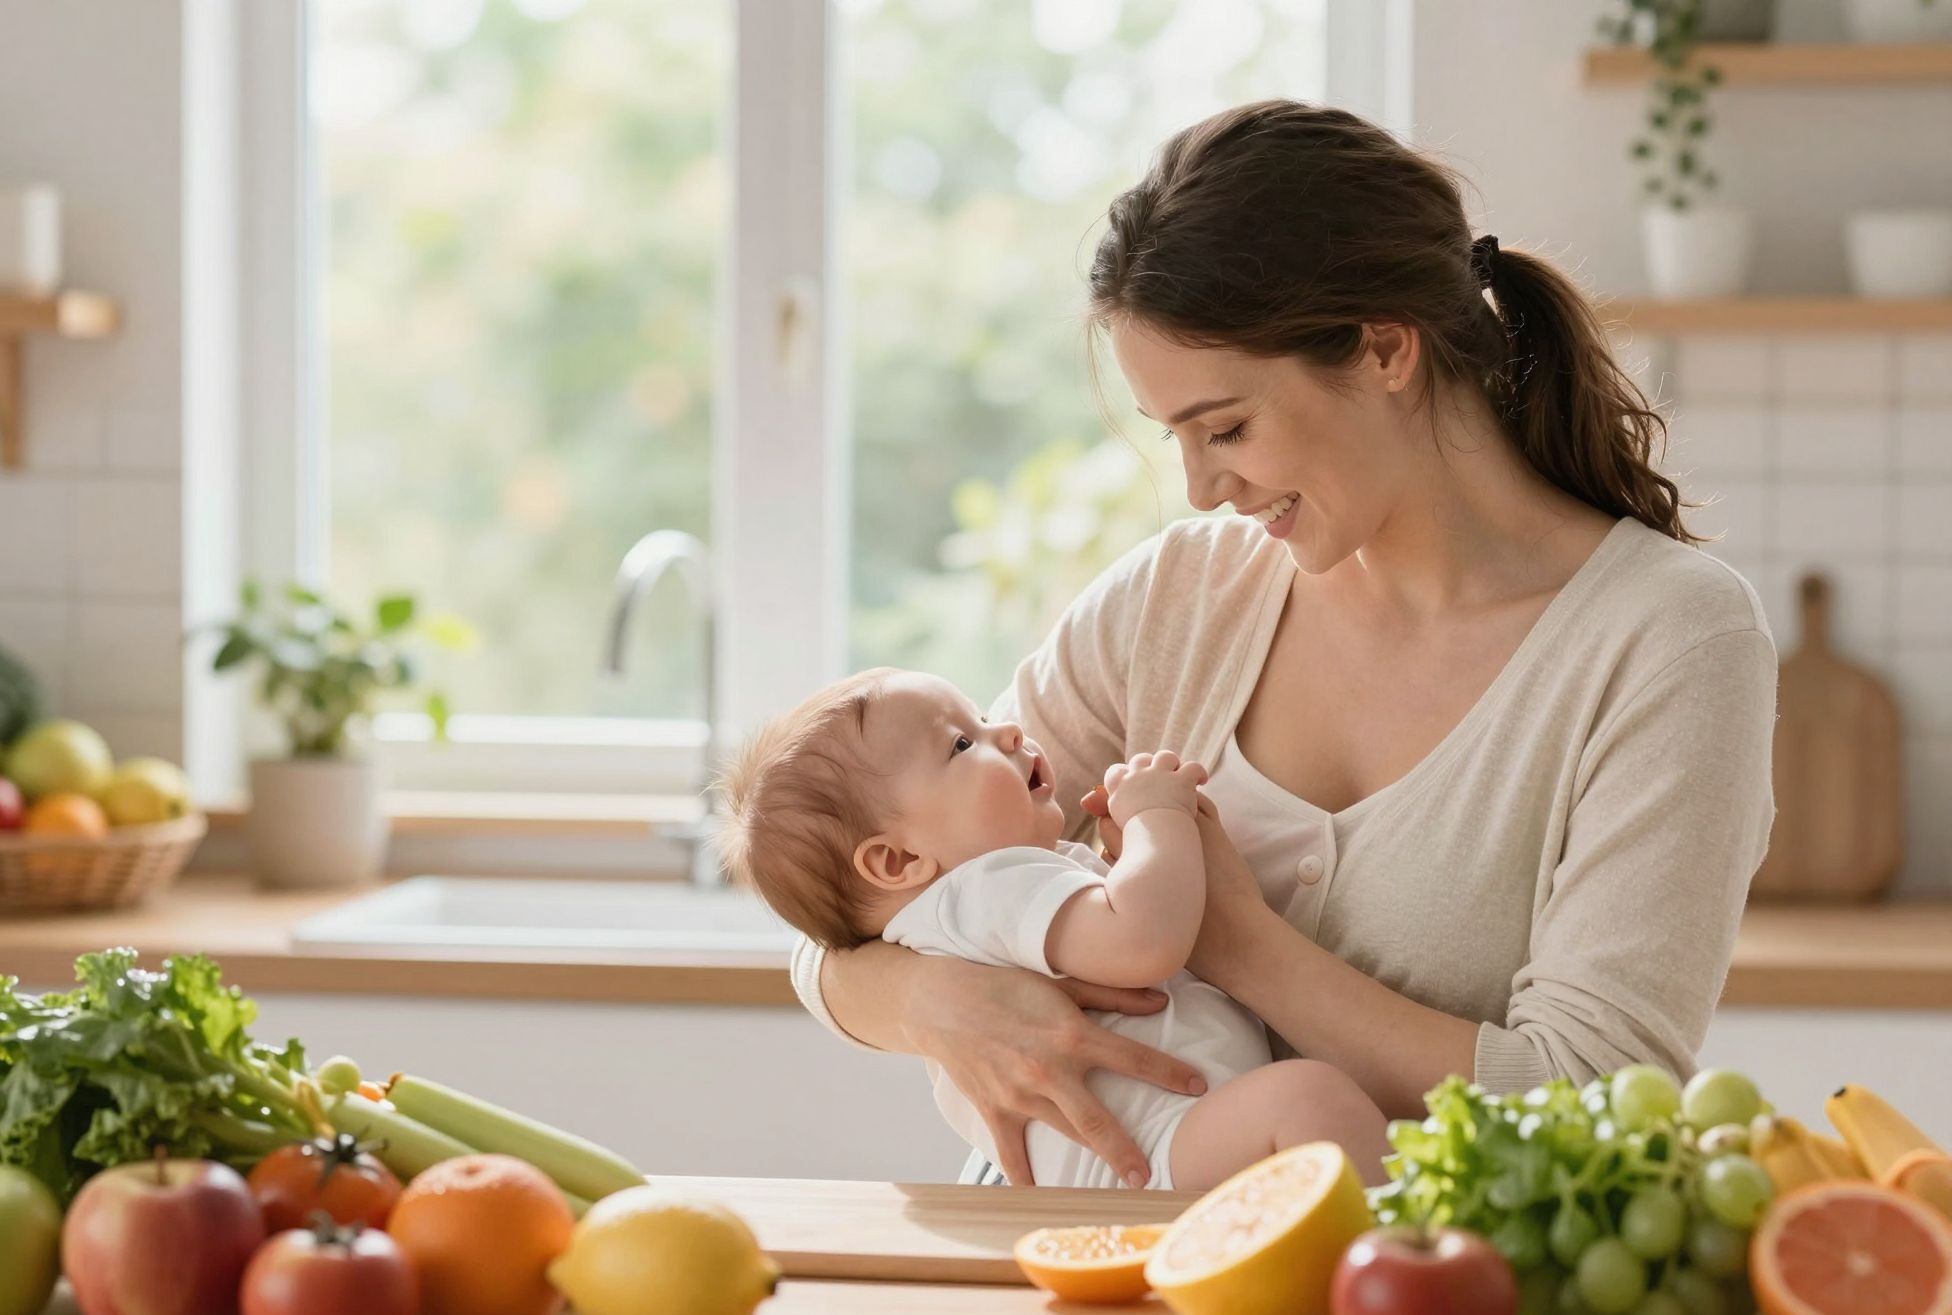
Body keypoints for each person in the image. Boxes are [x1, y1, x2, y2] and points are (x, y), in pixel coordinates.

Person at [792, 100, 1777, 1189]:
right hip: (1079, 1262)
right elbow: (847, 905)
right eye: (1176, 438)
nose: (1201, 489)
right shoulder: (1177, 599)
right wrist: (931, 1001)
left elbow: (1593, 1101)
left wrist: (1241, 945)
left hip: (1406, 1279)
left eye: (1226, 428)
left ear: (1384, 349)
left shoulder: (1667, 640)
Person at [715, 667, 1392, 1191]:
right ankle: (1400, 1273)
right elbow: (1143, 940)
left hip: (1142, 1161)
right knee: (1310, 1104)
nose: (1009, 731)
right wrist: (1157, 818)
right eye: (962, 744)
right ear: (897, 861)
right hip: (1152, 1158)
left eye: (983, 717)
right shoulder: (986, 887)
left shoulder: (963, 909)